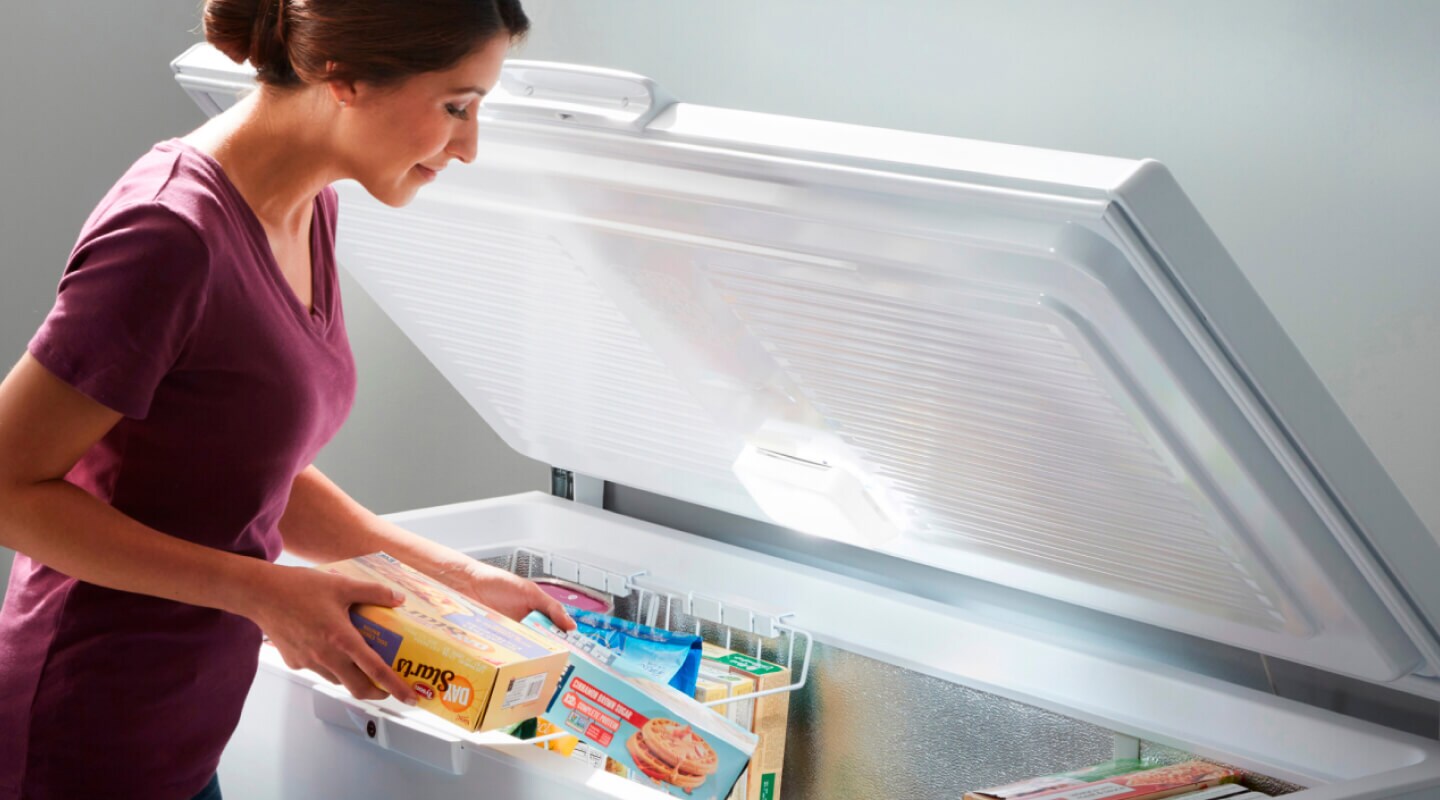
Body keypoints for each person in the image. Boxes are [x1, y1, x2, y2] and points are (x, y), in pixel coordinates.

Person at [0, 1, 571, 798]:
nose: (470, 147)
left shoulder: (308, 209)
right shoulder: (168, 235)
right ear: (345, 77)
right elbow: (7, 488)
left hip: (181, 733)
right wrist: (265, 593)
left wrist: (446, 578)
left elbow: (243, 463)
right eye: (456, 107)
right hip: (80, 735)